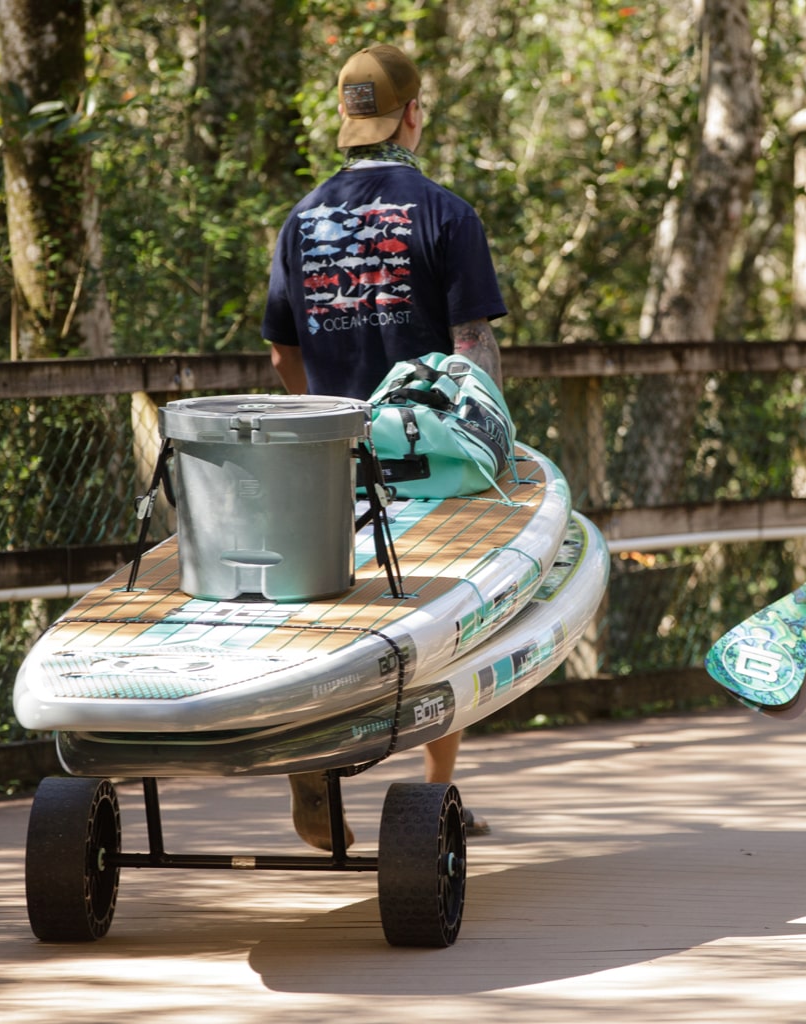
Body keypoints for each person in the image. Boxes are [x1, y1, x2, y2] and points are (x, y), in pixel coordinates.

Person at [262, 43, 506, 851]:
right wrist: (491, 440)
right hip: (430, 458)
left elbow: (280, 354)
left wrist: (321, 425)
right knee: (443, 617)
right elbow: (472, 347)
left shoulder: (300, 221)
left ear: (347, 117)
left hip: (334, 458)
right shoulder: (445, 213)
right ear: (413, 113)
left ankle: (320, 764)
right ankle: (437, 793)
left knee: (332, 610)